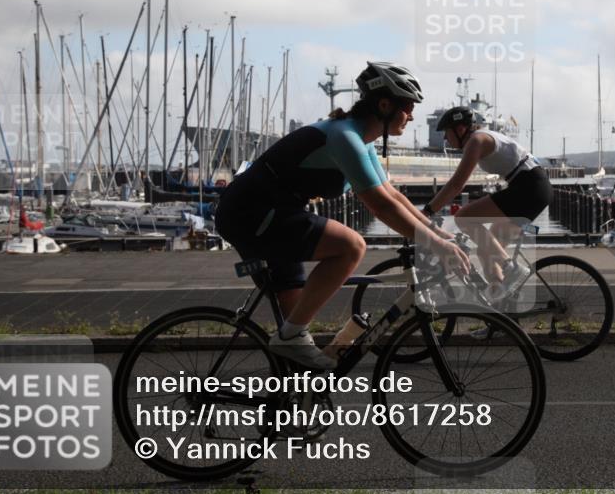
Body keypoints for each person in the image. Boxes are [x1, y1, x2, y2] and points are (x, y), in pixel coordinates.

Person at [214, 62, 470, 369]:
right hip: (254, 214)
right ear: (385, 105)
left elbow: (394, 197)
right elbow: (381, 207)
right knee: (351, 246)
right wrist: (437, 246)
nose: (412, 116)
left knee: (294, 343)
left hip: (274, 214)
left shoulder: (360, 141)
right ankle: (290, 342)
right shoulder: (343, 137)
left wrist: (440, 235)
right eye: (408, 107)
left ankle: (285, 408)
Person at [423, 106, 552, 290]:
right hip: (534, 186)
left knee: (464, 217)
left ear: (460, 129)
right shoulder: (482, 137)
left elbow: (456, 185)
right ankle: (499, 303)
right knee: (486, 252)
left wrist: (428, 210)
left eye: (446, 132)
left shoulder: (476, 140)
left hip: (529, 187)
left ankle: (511, 267)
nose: (445, 138)